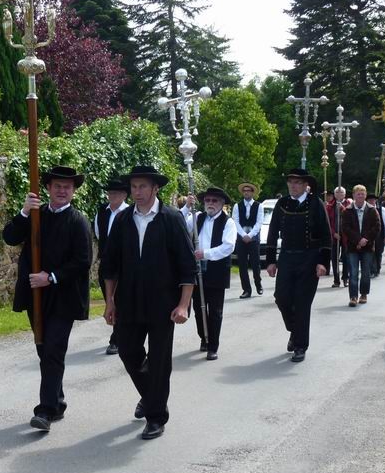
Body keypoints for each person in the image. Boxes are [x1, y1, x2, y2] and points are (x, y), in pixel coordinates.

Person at [101, 165, 195, 440]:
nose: (137, 192)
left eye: (143, 186)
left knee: (159, 360)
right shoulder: (123, 220)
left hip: (163, 304)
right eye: (134, 187)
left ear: (156, 188)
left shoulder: (171, 218)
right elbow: (110, 267)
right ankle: (153, 396)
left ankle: (156, 417)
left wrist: (183, 305)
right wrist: (109, 302)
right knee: (128, 351)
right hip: (128, 301)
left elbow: (187, 265)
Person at [3, 166, 92, 433]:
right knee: (44, 350)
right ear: (48, 189)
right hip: (36, 297)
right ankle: (58, 401)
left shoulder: (78, 221)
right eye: (57, 186)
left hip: (63, 297)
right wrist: (23, 212)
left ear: (73, 191)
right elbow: (10, 237)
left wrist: (51, 277)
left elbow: (83, 261)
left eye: (67, 187)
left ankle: (45, 410)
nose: (62, 191)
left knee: (53, 349)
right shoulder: (35, 216)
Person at [265, 168, 331, 363]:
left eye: (297, 182)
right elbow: (273, 231)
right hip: (286, 257)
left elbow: (326, 234)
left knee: (302, 303)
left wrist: (323, 262)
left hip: (309, 258)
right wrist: (270, 261)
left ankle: (300, 345)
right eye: (290, 182)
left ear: (305, 185)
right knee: (282, 298)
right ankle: (295, 331)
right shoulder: (282, 203)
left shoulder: (316, 203)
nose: (292, 186)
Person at [181, 187, 236, 360]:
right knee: (199, 307)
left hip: (216, 269)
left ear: (221, 204)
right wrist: (187, 207)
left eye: (214, 201)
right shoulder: (197, 217)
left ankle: (213, 345)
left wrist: (205, 254)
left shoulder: (228, 223)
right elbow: (179, 223)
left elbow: (228, 246)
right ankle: (204, 338)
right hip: (197, 270)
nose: (210, 204)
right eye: (207, 200)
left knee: (215, 310)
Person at [94, 178, 130, 355]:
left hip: (125, 264)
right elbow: (99, 233)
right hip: (107, 262)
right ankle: (119, 334)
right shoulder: (102, 211)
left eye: (116, 193)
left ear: (124, 195)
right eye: (110, 193)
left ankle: (116, 339)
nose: (112, 196)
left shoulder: (130, 213)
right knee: (110, 300)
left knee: (120, 299)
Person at [341, 186, 381, 307]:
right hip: (353, 247)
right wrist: (358, 240)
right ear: (353, 195)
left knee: (365, 272)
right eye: (358, 194)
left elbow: (377, 227)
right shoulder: (347, 210)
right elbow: (346, 228)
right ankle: (353, 296)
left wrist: (365, 240)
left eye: (362, 194)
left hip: (368, 247)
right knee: (353, 272)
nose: (360, 196)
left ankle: (363, 294)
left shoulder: (372, 210)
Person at [232, 182, 264, 298]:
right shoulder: (237, 206)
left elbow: (259, 223)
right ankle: (246, 290)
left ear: (252, 192)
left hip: (253, 238)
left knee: (255, 264)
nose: (246, 192)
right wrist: (242, 235)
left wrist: (250, 235)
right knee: (242, 265)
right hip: (241, 239)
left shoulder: (258, 206)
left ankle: (258, 283)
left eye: (248, 190)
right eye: (244, 190)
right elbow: (235, 221)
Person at [326, 186, 350, 288]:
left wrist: (342, 208)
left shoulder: (349, 205)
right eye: (337, 193)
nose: (339, 194)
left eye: (341, 193)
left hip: (346, 236)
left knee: (346, 258)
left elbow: (350, 218)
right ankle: (336, 280)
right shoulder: (330, 206)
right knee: (334, 259)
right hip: (334, 236)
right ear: (335, 195)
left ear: (344, 194)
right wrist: (333, 233)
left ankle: (345, 278)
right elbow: (327, 222)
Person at [366, 192, 385, 278]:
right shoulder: (365, 209)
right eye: (370, 200)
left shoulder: (381, 209)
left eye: (373, 200)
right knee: (370, 252)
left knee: (378, 252)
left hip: (379, 234)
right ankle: (372, 270)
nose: (371, 201)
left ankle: (377, 268)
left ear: (375, 200)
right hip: (368, 234)